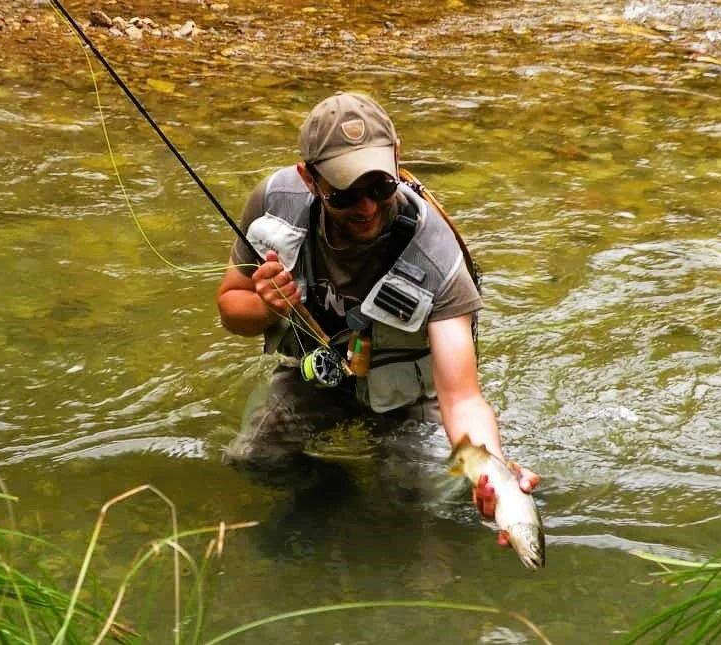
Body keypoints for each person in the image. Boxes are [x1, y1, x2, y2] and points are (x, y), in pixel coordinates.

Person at [215, 91, 538, 534]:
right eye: (345, 194)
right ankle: (331, 492)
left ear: (397, 159)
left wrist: (492, 475)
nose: (366, 207)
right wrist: (266, 305)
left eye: (380, 187)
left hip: (409, 397)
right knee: (252, 459)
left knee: (420, 497)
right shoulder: (275, 202)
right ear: (310, 179)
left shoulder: (437, 257)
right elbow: (231, 312)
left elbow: (461, 397)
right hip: (320, 377)